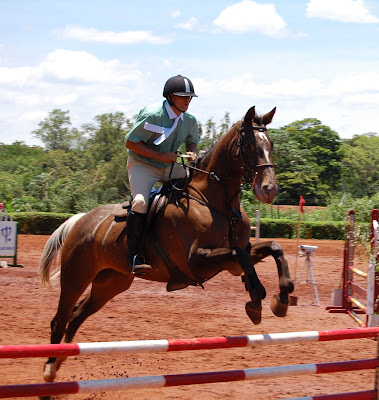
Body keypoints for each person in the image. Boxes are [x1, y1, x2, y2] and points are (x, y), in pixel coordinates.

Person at [125, 75, 199, 275]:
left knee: (196, 189)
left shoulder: (190, 120)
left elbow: (193, 140)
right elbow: (131, 143)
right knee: (140, 202)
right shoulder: (152, 114)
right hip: (143, 165)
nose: (187, 100)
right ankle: (132, 255)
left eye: (190, 97)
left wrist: (192, 151)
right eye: (183, 96)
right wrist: (159, 156)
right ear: (169, 96)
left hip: (170, 165)